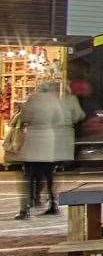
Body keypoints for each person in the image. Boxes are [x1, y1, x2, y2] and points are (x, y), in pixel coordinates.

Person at [11, 79, 83, 219]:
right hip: (49, 140)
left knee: (28, 175)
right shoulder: (55, 101)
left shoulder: (32, 99)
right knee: (49, 175)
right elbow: (61, 118)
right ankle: (53, 204)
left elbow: (24, 117)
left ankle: (26, 208)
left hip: (33, 139)